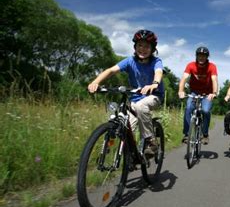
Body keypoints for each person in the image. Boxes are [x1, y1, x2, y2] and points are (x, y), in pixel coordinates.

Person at [88, 29, 164, 158]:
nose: (143, 49)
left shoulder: (156, 62)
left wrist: (154, 83)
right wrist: (95, 82)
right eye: (140, 45)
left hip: (154, 96)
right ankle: (130, 158)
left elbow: (158, 72)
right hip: (134, 99)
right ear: (135, 47)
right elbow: (111, 71)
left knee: (141, 106)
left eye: (147, 46)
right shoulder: (129, 61)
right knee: (126, 127)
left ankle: (151, 142)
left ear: (152, 49)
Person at [178, 46, 218, 145]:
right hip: (194, 92)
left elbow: (214, 80)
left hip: (207, 94)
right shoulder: (191, 65)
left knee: (205, 111)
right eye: (199, 55)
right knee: (188, 108)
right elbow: (184, 78)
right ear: (196, 56)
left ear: (207, 57)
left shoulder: (212, 66)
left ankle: (205, 135)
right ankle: (186, 134)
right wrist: (181, 91)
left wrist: (214, 93)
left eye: (204, 56)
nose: (201, 58)